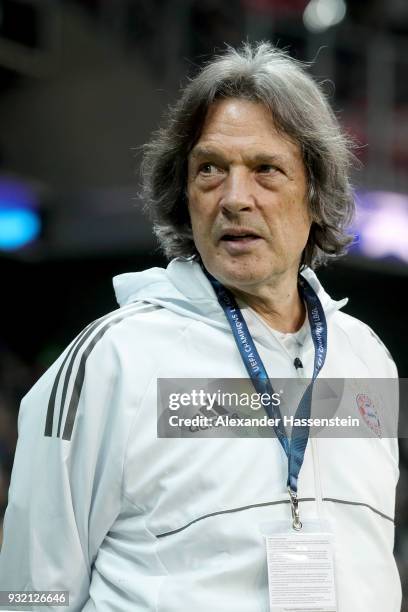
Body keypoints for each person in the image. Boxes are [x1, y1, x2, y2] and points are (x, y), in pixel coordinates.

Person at [0, 42, 401, 611]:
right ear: (183, 193)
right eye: (210, 169)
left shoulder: (368, 358)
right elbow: (30, 594)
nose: (235, 198)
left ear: (315, 192)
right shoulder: (110, 363)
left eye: (266, 170)